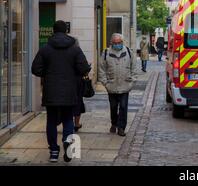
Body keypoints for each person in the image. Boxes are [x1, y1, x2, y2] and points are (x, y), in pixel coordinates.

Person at [31, 21, 91, 163]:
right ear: (66, 31)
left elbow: (35, 69)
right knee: (68, 119)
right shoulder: (75, 49)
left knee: (51, 121)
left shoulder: (46, 48)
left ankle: (53, 151)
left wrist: (49, 73)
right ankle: (67, 143)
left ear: (53, 31)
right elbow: (84, 69)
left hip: (51, 91)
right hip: (70, 90)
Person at [98, 33, 138, 137]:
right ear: (111, 43)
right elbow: (101, 69)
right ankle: (114, 123)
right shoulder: (106, 52)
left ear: (122, 42)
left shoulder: (128, 52)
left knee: (124, 107)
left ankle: (121, 128)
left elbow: (134, 67)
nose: (117, 44)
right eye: (115, 43)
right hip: (111, 86)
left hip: (125, 86)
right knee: (113, 107)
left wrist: (132, 81)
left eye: (119, 42)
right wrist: (105, 83)